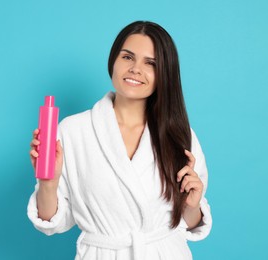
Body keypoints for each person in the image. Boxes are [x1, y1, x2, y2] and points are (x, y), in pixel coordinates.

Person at [27, 21, 212, 259]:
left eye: (150, 63)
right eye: (127, 57)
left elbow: (189, 223)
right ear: (113, 61)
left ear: (164, 73)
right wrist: (48, 183)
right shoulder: (73, 131)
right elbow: (53, 221)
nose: (136, 69)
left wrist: (192, 204)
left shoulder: (179, 134)